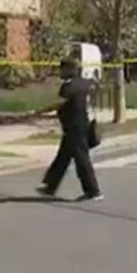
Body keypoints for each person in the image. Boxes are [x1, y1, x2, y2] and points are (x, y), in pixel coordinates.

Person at [35, 58, 103, 202]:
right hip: (84, 124)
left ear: (71, 70)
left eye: (63, 69)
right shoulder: (85, 83)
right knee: (63, 156)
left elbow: (60, 102)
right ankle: (50, 186)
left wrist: (40, 111)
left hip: (75, 127)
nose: (60, 72)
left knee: (81, 159)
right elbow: (95, 87)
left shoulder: (69, 87)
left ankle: (93, 191)